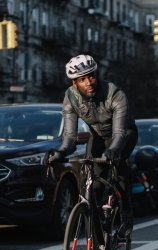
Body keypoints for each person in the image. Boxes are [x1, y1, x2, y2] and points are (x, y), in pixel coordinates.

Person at [45, 54, 138, 239]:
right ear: (74, 83)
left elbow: (119, 134)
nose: (89, 82)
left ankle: (126, 211)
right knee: (92, 192)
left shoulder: (115, 94)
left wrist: (114, 151)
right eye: (82, 79)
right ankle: (94, 249)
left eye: (91, 76)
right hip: (98, 138)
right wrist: (61, 151)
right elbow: (70, 136)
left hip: (124, 135)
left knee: (117, 167)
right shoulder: (70, 98)